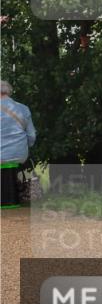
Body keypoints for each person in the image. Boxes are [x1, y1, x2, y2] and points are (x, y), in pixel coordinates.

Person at [0, 80, 37, 208]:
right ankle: (16, 197)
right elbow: (32, 135)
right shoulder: (23, 108)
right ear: (8, 91)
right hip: (19, 153)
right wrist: (25, 147)